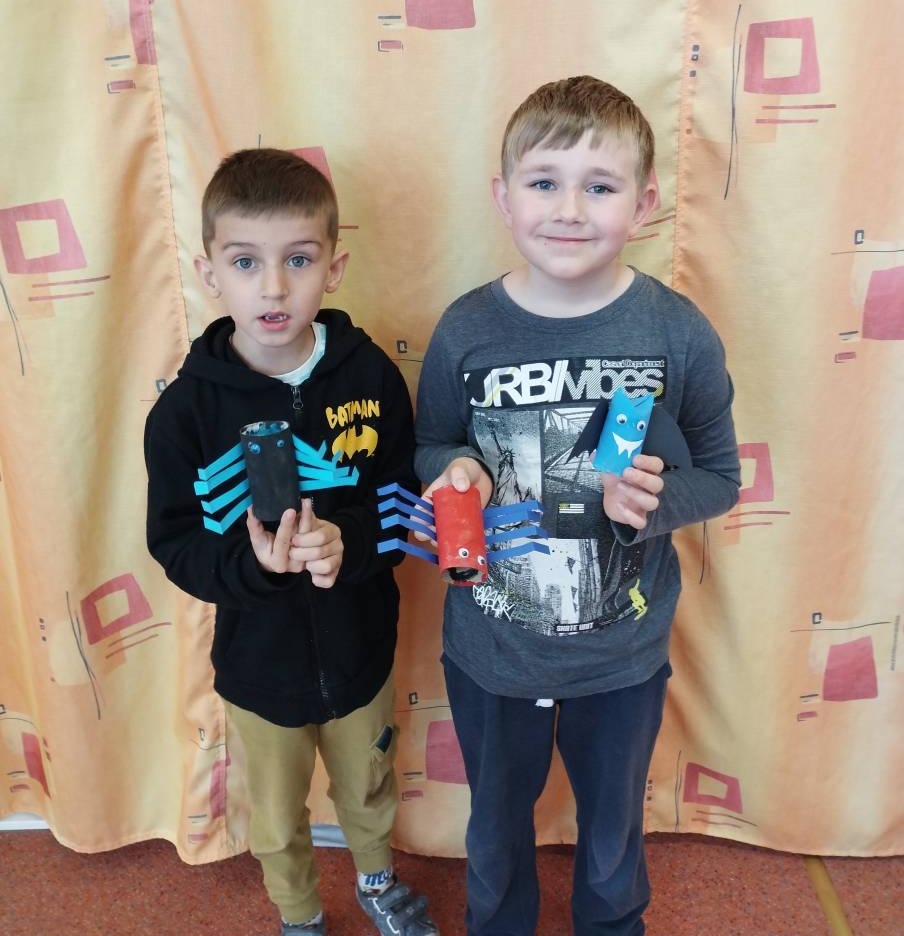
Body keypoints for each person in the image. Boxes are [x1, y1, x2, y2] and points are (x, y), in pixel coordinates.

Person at [414, 76, 740, 936]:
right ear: (503, 197)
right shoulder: (466, 329)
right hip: (492, 649)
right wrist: (456, 469)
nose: (568, 209)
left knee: (610, 840)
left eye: (599, 186)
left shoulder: (676, 333)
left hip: (621, 656)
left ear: (645, 203)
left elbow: (720, 475)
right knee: (495, 833)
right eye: (543, 182)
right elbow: (429, 442)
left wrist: (654, 503)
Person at [145, 148, 439, 936]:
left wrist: (350, 545)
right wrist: (255, 567)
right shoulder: (183, 413)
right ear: (210, 273)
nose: (273, 287)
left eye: (298, 260)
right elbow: (174, 544)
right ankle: (299, 915)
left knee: (369, 784)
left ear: (333, 268)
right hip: (257, 666)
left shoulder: (371, 377)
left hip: (361, 649)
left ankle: (377, 882)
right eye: (246, 262)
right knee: (274, 815)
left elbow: (403, 503)